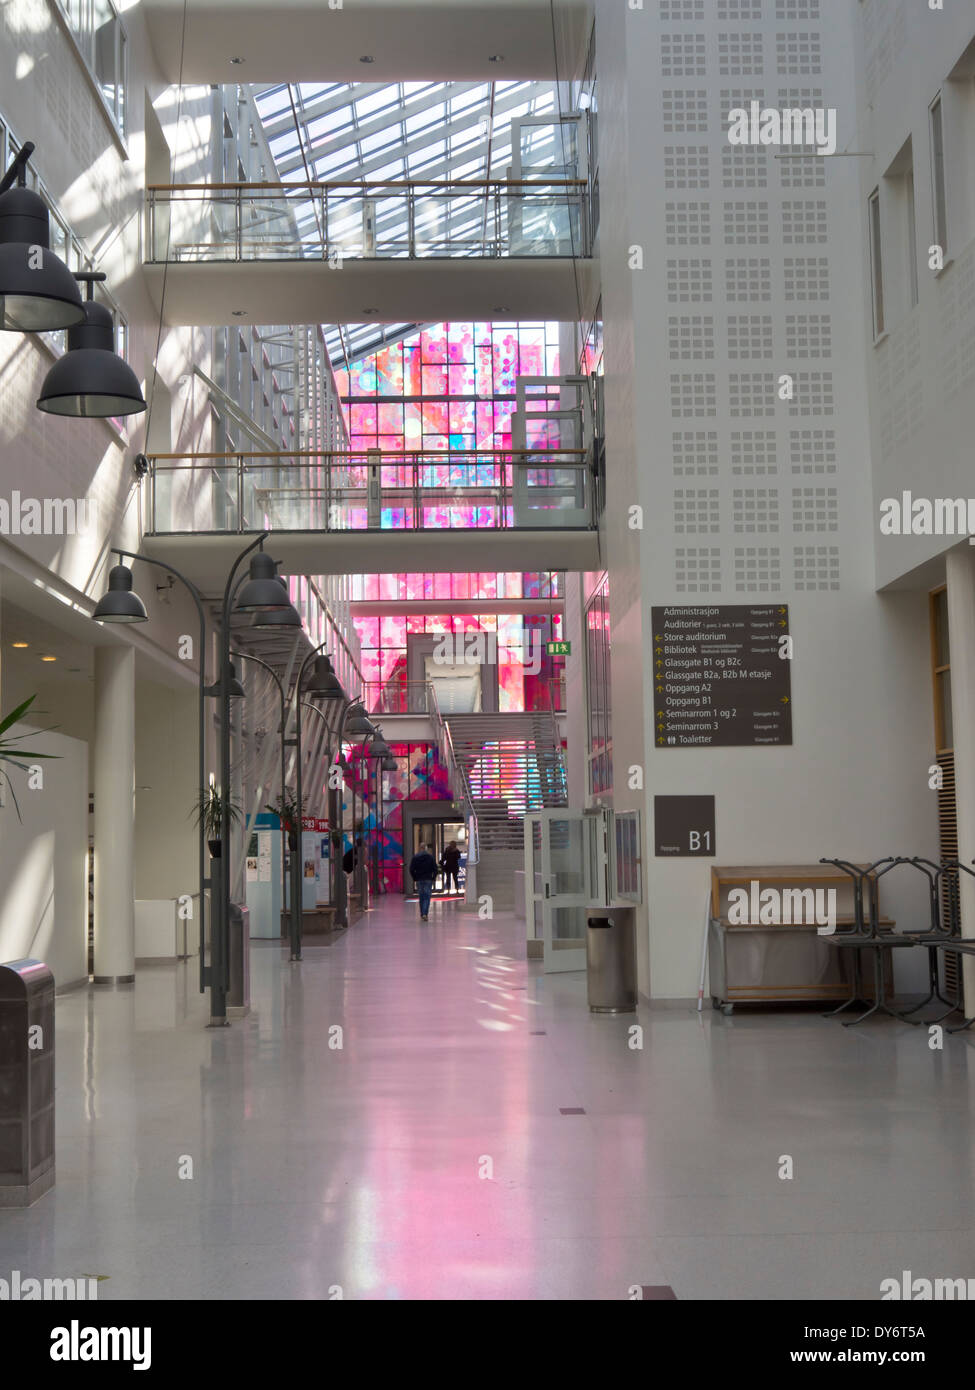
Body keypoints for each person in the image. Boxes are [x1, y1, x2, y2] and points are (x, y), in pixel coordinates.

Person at [409, 842, 437, 921]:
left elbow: (411, 869)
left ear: (420, 848)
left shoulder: (415, 857)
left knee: (421, 897)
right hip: (428, 879)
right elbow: (435, 869)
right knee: (427, 897)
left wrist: (415, 878)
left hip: (419, 879)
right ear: (426, 848)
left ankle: (422, 914)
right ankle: (425, 913)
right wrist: (433, 878)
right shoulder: (430, 857)